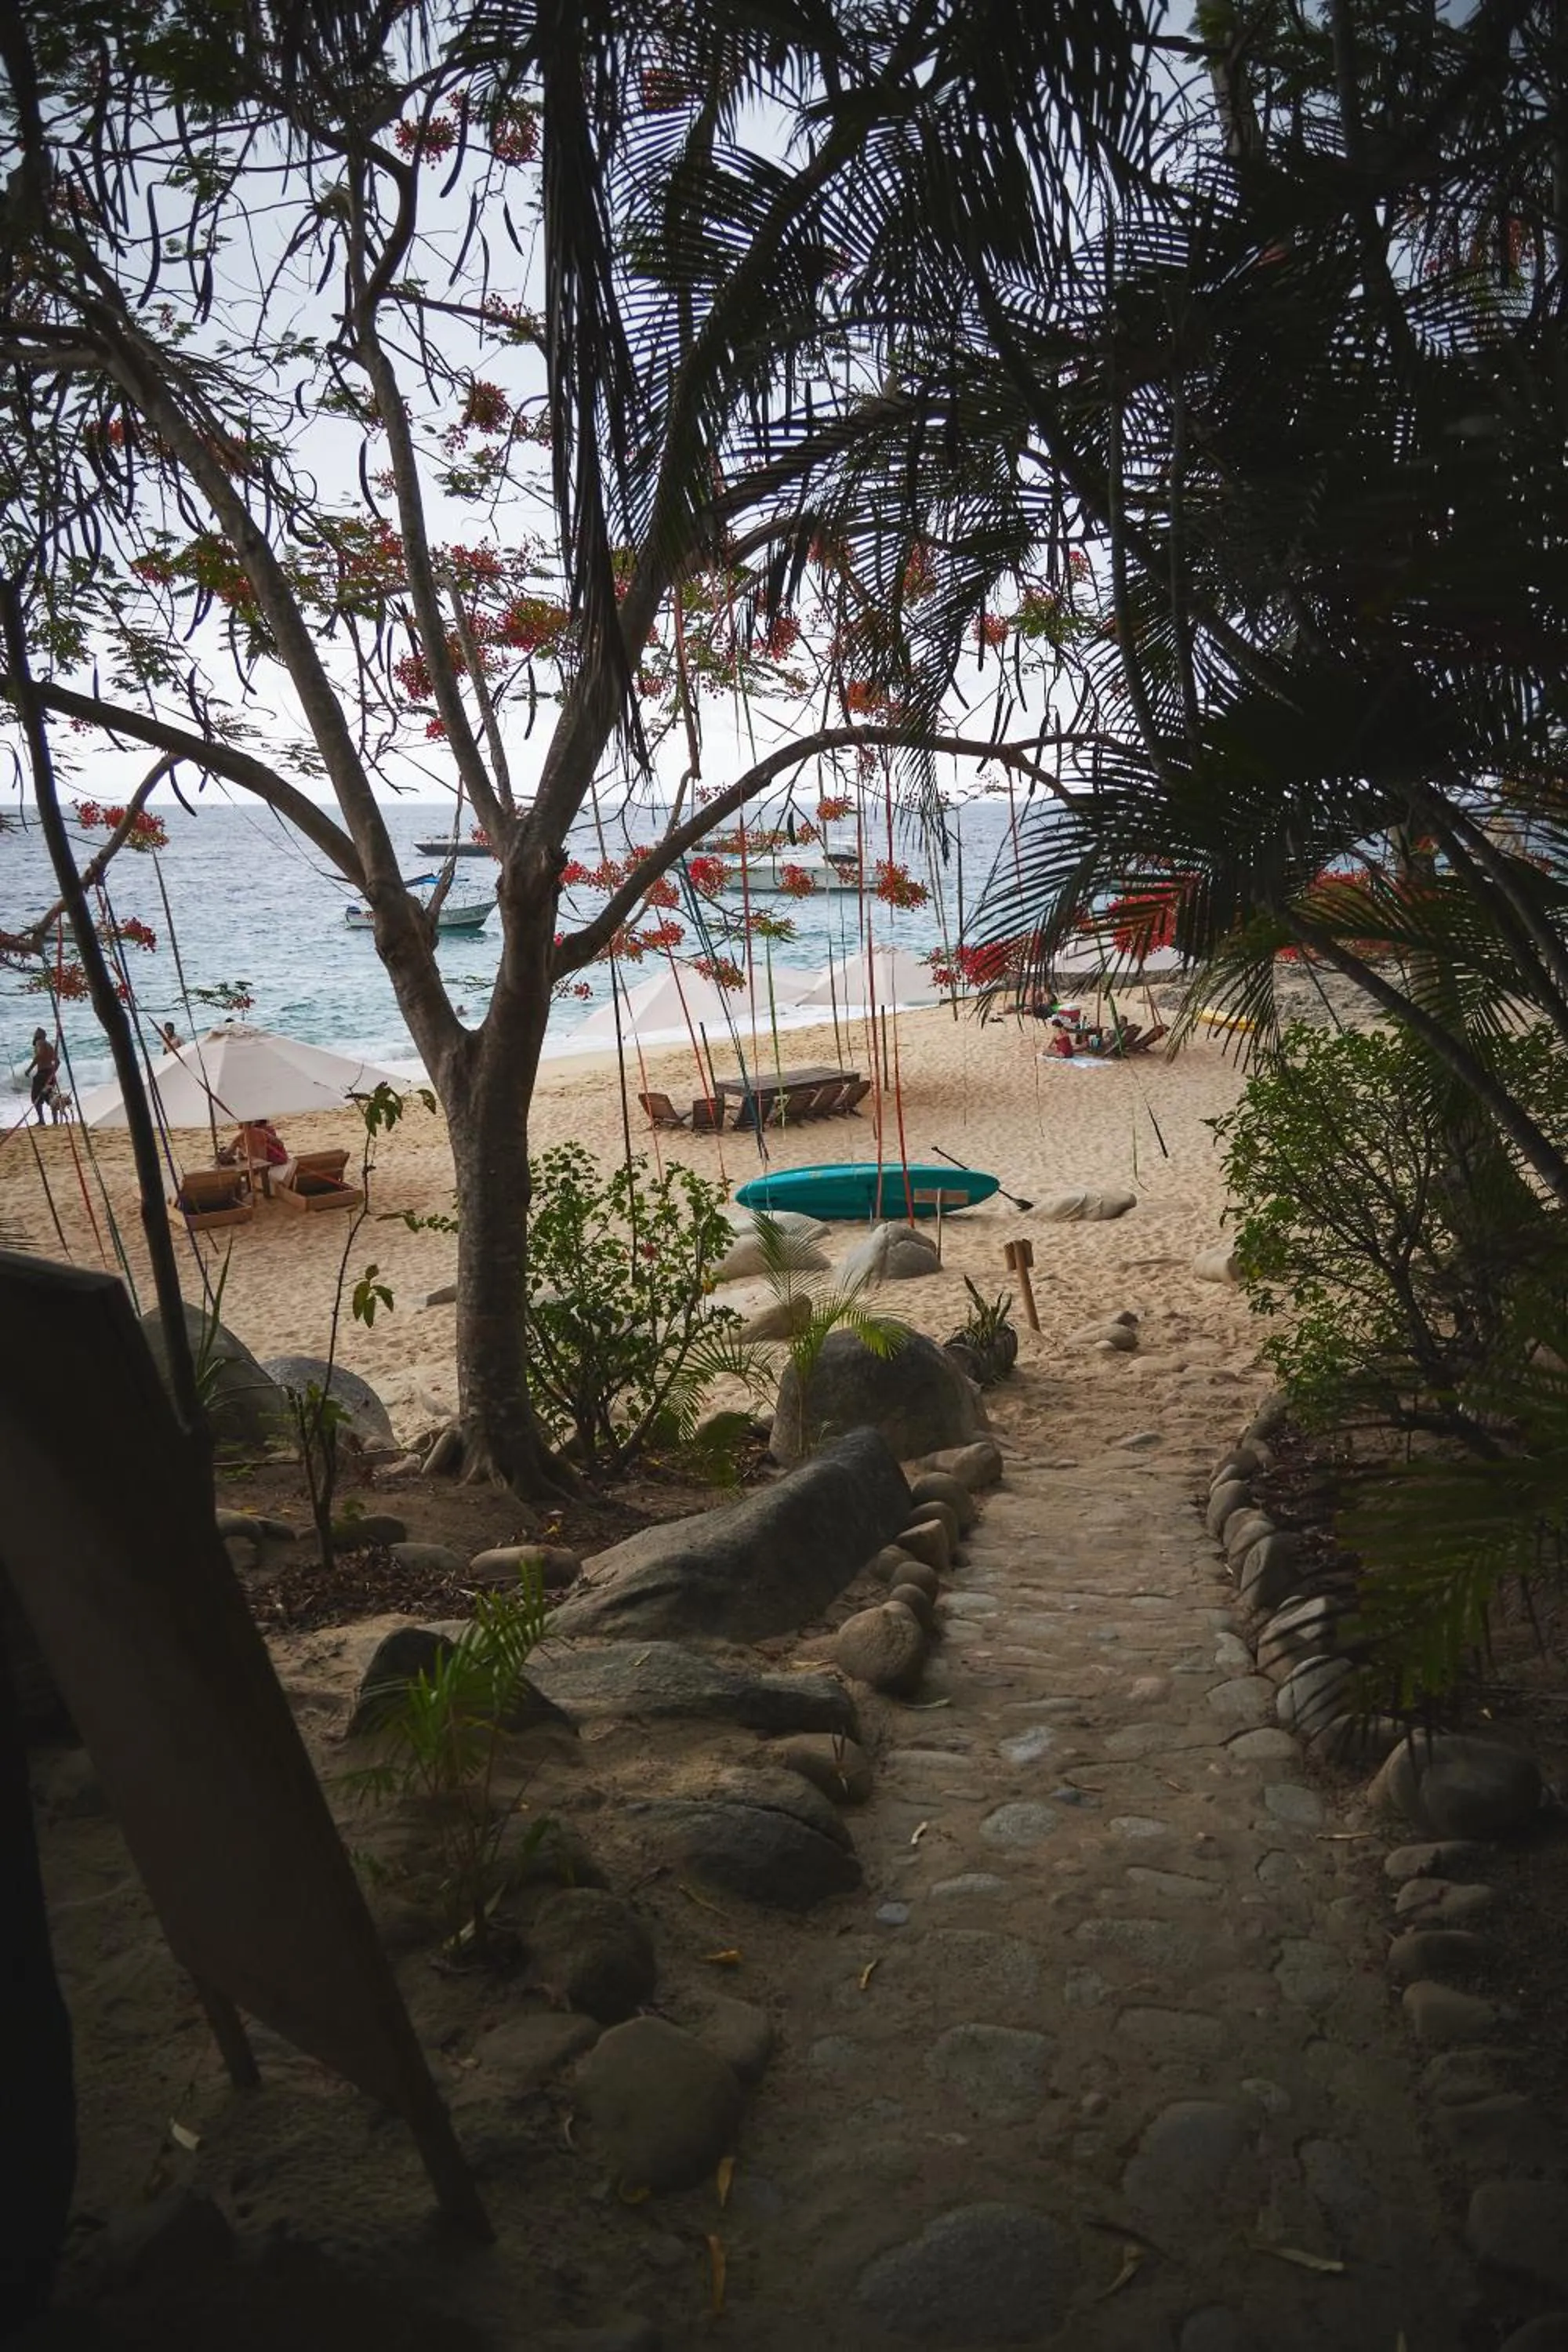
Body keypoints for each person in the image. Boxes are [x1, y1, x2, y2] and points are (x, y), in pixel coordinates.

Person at [27, 1030, 59, 1125]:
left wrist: (29, 1069)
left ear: (37, 1036)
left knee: (36, 1097)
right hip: (50, 1074)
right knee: (51, 1097)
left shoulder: (39, 1042)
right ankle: (55, 1121)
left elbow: (39, 1055)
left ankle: (41, 1120)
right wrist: (53, 1073)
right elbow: (57, 1062)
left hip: (42, 1074)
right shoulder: (49, 1046)